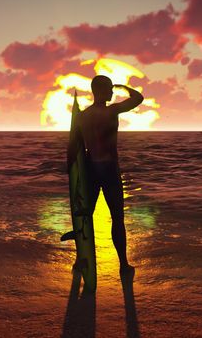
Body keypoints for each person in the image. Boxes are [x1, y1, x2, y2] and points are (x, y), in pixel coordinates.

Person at [78, 75, 143, 273]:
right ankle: (123, 264)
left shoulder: (83, 116)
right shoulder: (113, 111)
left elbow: (76, 147)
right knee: (117, 218)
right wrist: (126, 88)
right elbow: (138, 98)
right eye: (110, 89)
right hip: (109, 170)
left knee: (86, 218)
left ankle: (81, 260)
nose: (113, 92)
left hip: (90, 170)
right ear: (101, 90)